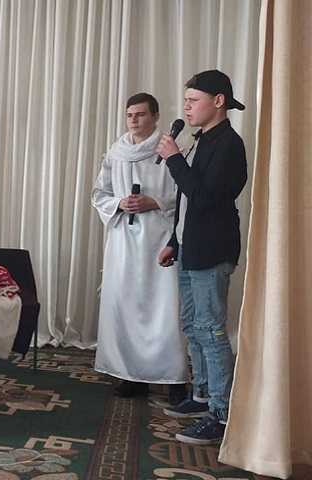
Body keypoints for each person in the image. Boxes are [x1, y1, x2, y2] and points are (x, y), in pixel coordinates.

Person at [156, 69, 247, 445]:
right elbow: (187, 201)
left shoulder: (229, 145)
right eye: (186, 101)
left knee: (211, 330)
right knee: (193, 326)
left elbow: (207, 197)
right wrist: (174, 241)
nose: (187, 107)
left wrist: (174, 159)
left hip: (212, 250)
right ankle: (203, 395)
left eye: (194, 100)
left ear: (218, 101)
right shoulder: (202, 140)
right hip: (190, 247)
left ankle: (221, 415)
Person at [92, 93, 188, 404]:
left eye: (141, 114)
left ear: (155, 117)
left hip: (159, 238)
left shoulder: (169, 149)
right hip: (124, 239)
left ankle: (173, 377)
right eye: (130, 115)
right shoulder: (116, 152)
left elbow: (184, 193)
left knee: (163, 307)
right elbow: (99, 193)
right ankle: (130, 374)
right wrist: (119, 203)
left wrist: (154, 202)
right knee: (126, 304)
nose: (134, 120)